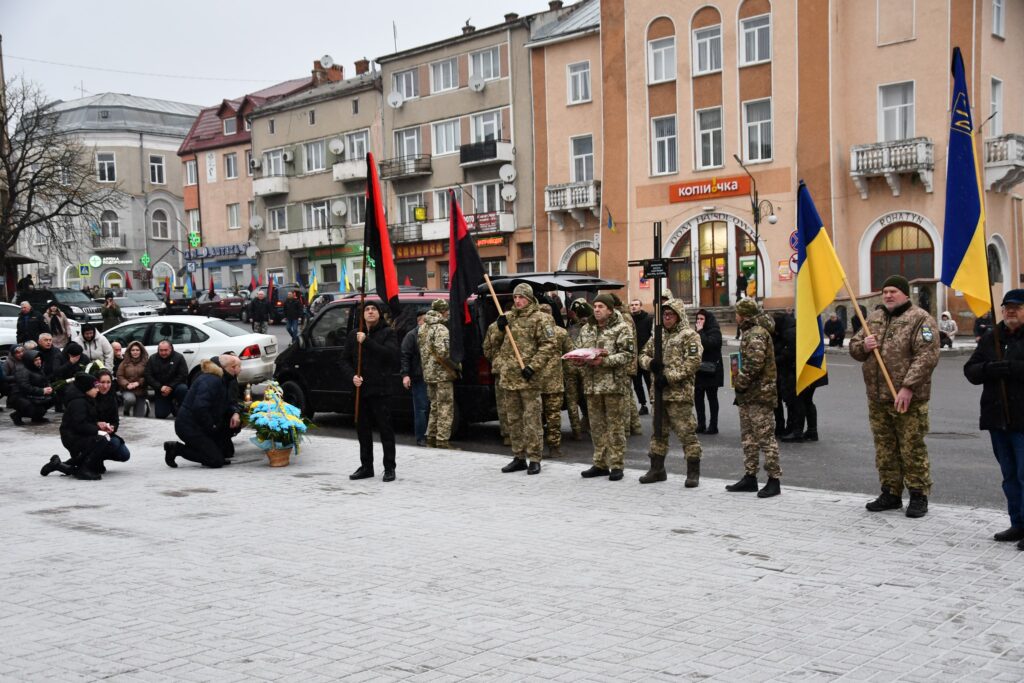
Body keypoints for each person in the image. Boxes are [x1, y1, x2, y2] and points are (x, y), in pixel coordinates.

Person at [849, 274, 940, 518]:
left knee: (911, 448)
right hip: (878, 397)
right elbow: (855, 348)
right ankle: (890, 492)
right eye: (885, 291)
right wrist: (863, 346)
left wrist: (908, 386)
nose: (888, 295)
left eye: (894, 291)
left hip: (907, 398)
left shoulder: (920, 319)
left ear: (904, 294)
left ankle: (918, 495)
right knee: (885, 448)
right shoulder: (875, 317)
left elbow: (927, 356)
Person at [964, 289, 1024, 549]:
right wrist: (989, 369)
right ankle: (1018, 523)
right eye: (1007, 307)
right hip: (997, 419)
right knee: (1009, 475)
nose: (1010, 311)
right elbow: (971, 370)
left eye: (1017, 307)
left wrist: (1011, 368)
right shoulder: (992, 337)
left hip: (1022, 420)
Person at [638, 298, 703, 486]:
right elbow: (642, 355)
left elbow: (693, 363)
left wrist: (669, 377)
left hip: (679, 394)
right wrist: (650, 363)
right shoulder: (657, 335)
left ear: (679, 315)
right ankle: (657, 469)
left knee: (686, 433)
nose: (666, 318)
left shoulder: (689, 335)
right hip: (658, 394)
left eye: (670, 314)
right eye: (664, 314)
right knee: (658, 433)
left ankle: (693, 472)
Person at [494, 284, 557, 475]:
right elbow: (496, 343)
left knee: (532, 420)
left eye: (521, 297)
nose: (517, 301)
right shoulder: (509, 318)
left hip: (528, 377)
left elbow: (549, 345)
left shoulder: (541, 319)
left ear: (529, 298)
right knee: (513, 420)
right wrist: (499, 328)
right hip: (509, 377)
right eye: (515, 298)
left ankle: (535, 458)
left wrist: (533, 366)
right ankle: (519, 456)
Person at [575, 293, 634, 481]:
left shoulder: (622, 327)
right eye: (596, 306)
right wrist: (578, 359)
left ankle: (616, 464)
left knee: (615, 427)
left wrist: (604, 361)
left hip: (613, 385)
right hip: (592, 386)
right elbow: (579, 348)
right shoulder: (587, 329)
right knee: (597, 426)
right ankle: (600, 463)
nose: (597, 310)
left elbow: (627, 355)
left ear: (610, 309)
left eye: (601, 306)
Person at [727, 298, 782, 498]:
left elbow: (754, 364)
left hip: (759, 394)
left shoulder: (757, 333)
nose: (735, 316)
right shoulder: (749, 332)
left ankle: (774, 479)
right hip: (748, 395)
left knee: (765, 438)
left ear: (744, 315)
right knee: (748, 438)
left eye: (737, 313)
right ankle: (750, 477)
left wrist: (739, 382)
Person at [341, 301, 399, 481]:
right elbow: (343, 361)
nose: (370, 312)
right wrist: (352, 376)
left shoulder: (388, 333)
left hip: (381, 390)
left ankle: (389, 467)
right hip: (361, 392)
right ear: (362, 315)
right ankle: (366, 466)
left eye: (374, 309)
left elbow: (389, 355)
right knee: (363, 431)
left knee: (385, 430)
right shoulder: (353, 335)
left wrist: (367, 342)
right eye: (367, 309)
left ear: (379, 314)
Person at [164, 355, 242, 469]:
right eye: (239, 366)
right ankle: (176, 449)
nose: (241, 369)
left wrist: (235, 413)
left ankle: (206, 450)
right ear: (232, 367)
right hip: (189, 427)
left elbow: (228, 402)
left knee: (223, 453)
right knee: (215, 460)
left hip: (199, 425)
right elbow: (200, 407)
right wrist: (212, 427)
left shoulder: (223, 379)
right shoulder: (212, 380)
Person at [39, 373, 118, 480]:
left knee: (98, 466)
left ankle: (58, 464)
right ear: (86, 388)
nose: (98, 390)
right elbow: (80, 425)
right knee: (102, 440)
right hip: (73, 437)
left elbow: (87, 421)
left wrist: (100, 426)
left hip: (80, 434)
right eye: (95, 387)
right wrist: (98, 430)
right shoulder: (78, 402)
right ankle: (83, 469)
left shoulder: (86, 398)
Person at [419, 299, 457, 449]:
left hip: (428, 373)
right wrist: (456, 366)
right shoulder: (441, 329)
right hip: (442, 374)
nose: (448, 313)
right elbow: (443, 353)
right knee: (445, 407)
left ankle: (431, 436)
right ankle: (442, 440)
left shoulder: (423, 328)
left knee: (434, 406)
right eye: (447, 310)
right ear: (443, 311)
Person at [537, 302, 566, 459]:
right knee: (553, 417)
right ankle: (554, 447)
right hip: (554, 383)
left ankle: (539, 446)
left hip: (537, 382)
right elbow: (570, 354)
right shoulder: (560, 332)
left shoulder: (534, 333)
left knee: (538, 417)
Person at [401, 311, 429, 447]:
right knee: (421, 408)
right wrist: (405, 375)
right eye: (425, 320)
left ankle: (431, 435)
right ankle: (421, 437)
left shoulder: (432, 334)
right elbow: (405, 356)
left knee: (431, 407)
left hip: (432, 376)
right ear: (419, 321)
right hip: (419, 377)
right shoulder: (412, 336)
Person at [694, 308, 723, 435]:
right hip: (699, 369)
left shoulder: (715, 331)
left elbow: (709, 345)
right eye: (698, 319)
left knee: (712, 398)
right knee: (698, 397)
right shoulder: (697, 332)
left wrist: (700, 332)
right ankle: (701, 423)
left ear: (707, 320)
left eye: (702, 319)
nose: (699, 321)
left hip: (712, 370)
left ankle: (713, 425)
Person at [7, 349, 55, 425]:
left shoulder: (37, 368)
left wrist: (48, 387)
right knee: (37, 410)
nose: (39, 361)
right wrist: (42, 391)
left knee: (53, 398)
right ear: (29, 360)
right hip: (19, 396)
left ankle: (37, 417)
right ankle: (17, 415)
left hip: (33, 394)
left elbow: (45, 380)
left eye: (39, 359)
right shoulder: (22, 370)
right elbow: (25, 387)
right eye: (36, 360)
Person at [145, 340, 189, 419]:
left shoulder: (179, 357)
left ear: (171, 349)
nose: (163, 353)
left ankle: (181, 408)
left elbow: (183, 374)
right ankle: (172, 406)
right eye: (161, 350)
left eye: (166, 350)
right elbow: (148, 376)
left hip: (175, 387)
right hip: (160, 390)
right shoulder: (152, 358)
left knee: (183, 389)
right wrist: (160, 387)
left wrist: (170, 387)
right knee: (160, 415)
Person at [629, 299, 653, 416]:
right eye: (632, 305)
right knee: (637, 383)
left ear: (641, 306)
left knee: (649, 381)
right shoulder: (629, 320)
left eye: (636, 305)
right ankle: (643, 405)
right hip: (634, 358)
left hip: (645, 356)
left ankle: (653, 403)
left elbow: (652, 336)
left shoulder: (648, 319)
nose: (634, 307)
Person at [117, 341, 150, 417]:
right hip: (128, 389)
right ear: (129, 351)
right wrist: (127, 384)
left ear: (141, 351)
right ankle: (126, 410)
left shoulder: (146, 363)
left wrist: (138, 383)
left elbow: (148, 376)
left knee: (138, 418)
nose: (135, 352)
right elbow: (120, 375)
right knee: (130, 399)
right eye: (133, 350)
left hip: (141, 391)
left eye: (137, 350)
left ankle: (145, 405)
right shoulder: (124, 362)